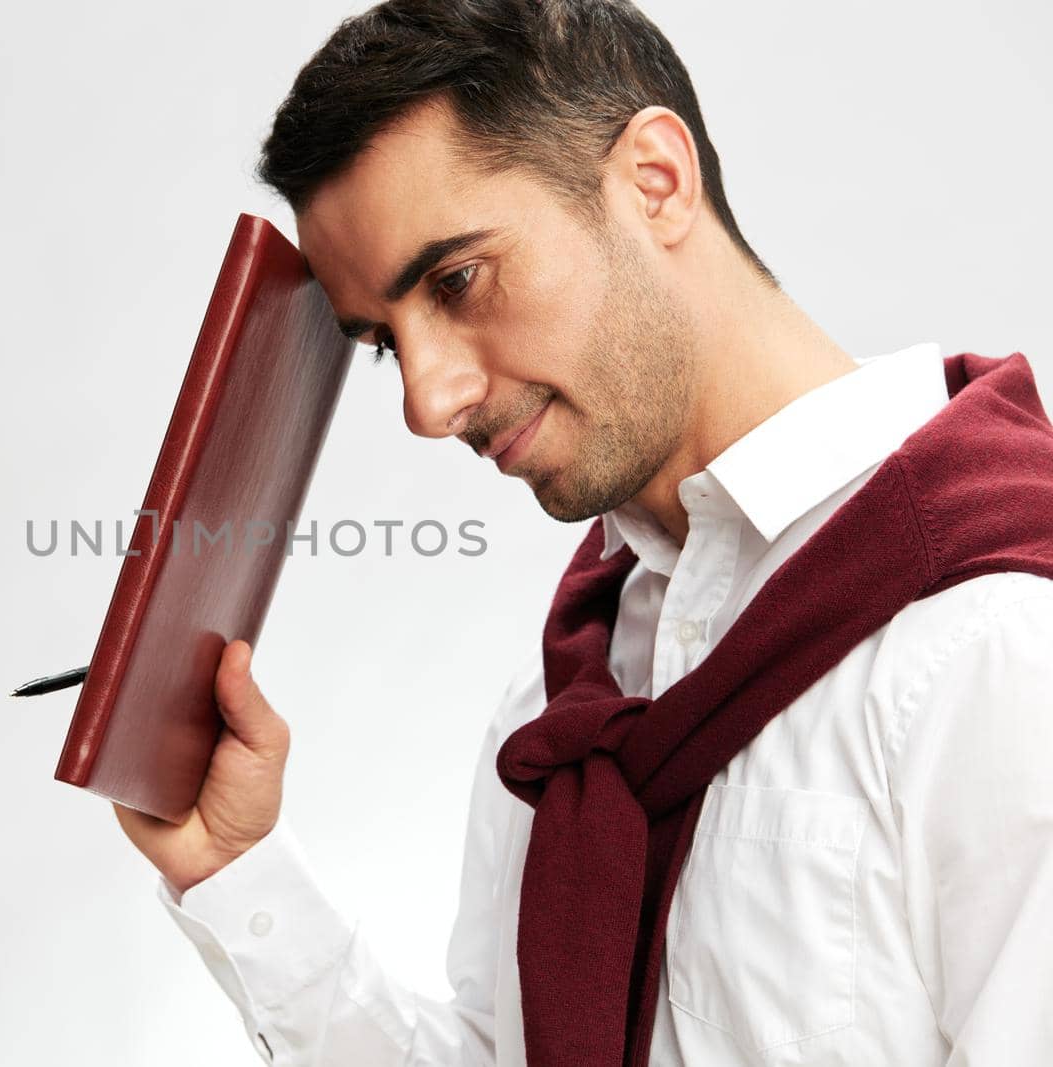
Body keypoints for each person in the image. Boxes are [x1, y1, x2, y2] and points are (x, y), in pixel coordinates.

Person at [112, 1, 1053, 1063]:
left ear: (655, 180)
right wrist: (233, 869)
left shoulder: (999, 639)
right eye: (382, 342)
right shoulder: (576, 695)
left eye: (456, 280)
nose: (427, 401)